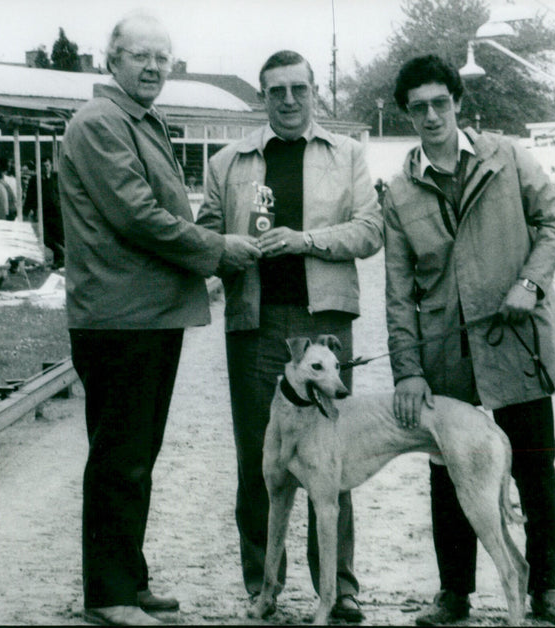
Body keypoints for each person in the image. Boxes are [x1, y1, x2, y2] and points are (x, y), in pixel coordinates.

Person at [58, 10, 260, 627]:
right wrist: (218, 250)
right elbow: (138, 216)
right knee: (120, 457)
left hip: (144, 315)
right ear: (110, 60)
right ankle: (108, 596)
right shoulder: (101, 122)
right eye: (139, 55)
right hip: (120, 318)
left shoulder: (139, 119)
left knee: (136, 455)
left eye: (161, 57)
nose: (152, 67)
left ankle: (129, 579)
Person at [383, 55, 555, 627]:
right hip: (446, 354)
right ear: (407, 114)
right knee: (450, 472)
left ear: (458, 104)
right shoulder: (399, 192)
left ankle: (545, 589)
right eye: (418, 108)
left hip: (516, 342)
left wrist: (530, 283)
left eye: (439, 103)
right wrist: (408, 370)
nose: (430, 116)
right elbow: (398, 292)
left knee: (535, 469)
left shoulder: (508, 156)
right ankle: (454, 593)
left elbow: (554, 223)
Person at [196, 49, 382, 623]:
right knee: (260, 456)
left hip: (324, 322)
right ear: (262, 96)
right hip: (254, 324)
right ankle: (263, 583)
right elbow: (204, 237)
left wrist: (306, 241)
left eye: (299, 88)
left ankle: (338, 586)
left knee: (331, 457)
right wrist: (228, 249)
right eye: (276, 90)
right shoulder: (227, 162)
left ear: (314, 92)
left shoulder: (347, 154)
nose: (289, 100)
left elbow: (371, 230)